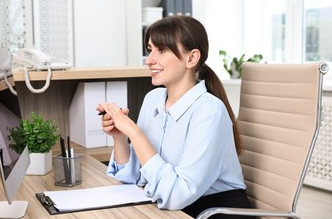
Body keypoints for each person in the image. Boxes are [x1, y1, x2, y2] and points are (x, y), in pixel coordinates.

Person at [96, 16, 253, 218]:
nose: (149, 60)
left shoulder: (210, 111)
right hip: (174, 206)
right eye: (150, 49)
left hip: (216, 210)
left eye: (161, 50)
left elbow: (179, 194)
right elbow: (135, 176)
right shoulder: (152, 99)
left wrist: (134, 132)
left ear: (191, 58)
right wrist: (120, 137)